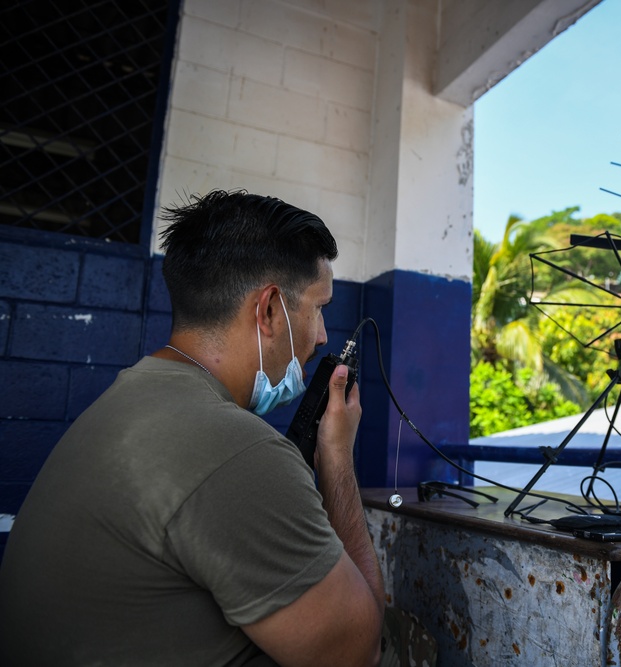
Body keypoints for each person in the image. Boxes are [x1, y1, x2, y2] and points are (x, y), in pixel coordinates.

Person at [0, 191, 387, 666]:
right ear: (268, 310)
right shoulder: (237, 451)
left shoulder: (130, 396)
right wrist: (337, 459)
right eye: (318, 307)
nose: (323, 335)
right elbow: (358, 653)